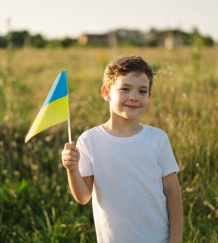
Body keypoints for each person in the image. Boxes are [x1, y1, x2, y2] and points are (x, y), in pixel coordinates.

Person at [61, 55, 183, 243]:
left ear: (149, 96)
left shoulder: (158, 139)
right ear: (106, 92)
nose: (133, 97)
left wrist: (176, 240)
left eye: (142, 91)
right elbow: (83, 197)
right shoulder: (89, 140)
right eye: (125, 89)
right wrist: (72, 169)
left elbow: (173, 192)